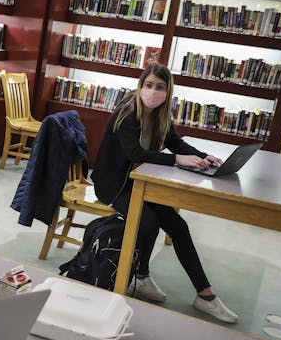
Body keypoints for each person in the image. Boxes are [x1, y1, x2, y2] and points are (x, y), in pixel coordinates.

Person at [90, 64, 238, 323]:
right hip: (113, 184)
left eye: (160, 87)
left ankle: (205, 295)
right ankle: (142, 275)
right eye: (148, 85)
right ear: (140, 85)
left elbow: (176, 143)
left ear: (167, 92)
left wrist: (203, 156)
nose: (153, 91)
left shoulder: (161, 115)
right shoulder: (125, 113)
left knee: (178, 226)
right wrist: (178, 161)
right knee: (149, 222)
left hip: (139, 182)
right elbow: (134, 154)